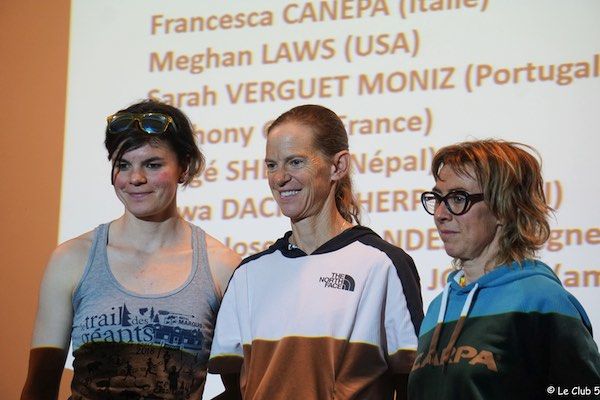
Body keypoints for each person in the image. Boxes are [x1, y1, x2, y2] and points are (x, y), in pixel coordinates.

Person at [21, 99, 240, 399]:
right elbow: (39, 387)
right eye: (123, 165)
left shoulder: (222, 267)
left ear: (185, 167)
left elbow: (243, 389)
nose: (135, 178)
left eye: (153, 164)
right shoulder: (71, 259)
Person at [208, 104, 424, 399]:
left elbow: (413, 383)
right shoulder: (248, 275)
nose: (279, 178)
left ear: (338, 166)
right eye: (271, 165)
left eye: (295, 162)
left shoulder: (383, 265)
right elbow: (235, 388)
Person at [408, 140, 600, 399]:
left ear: (503, 208)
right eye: (438, 198)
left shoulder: (542, 301)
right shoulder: (438, 308)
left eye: (458, 198)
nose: (440, 213)